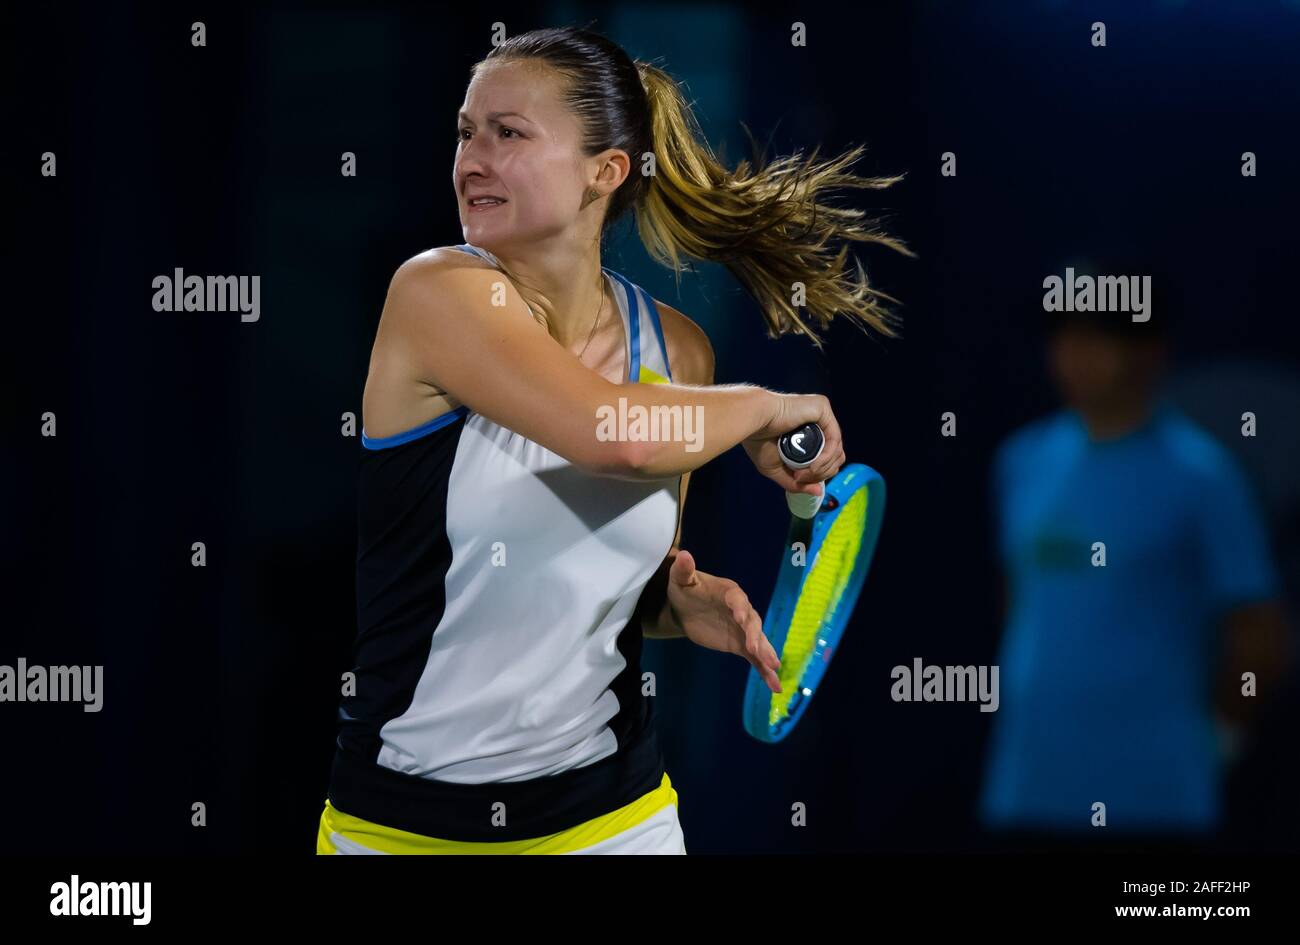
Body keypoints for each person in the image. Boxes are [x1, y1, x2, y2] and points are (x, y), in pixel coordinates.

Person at [316, 25, 908, 854]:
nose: (473, 158)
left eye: (508, 132)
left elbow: (610, 573)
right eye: (465, 131)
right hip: (403, 827)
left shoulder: (678, 353)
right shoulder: (436, 293)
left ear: (607, 170)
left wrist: (673, 604)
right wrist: (767, 409)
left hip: (612, 819)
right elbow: (611, 434)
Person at [979, 271, 1291, 853]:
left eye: (1099, 338)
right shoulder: (1019, 460)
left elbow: (1260, 637)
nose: (1075, 356)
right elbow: (1020, 602)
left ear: (1151, 352)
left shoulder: (1206, 477)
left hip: (1156, 803)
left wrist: (1219, 741)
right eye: (1064, 336)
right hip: (1026, 792)